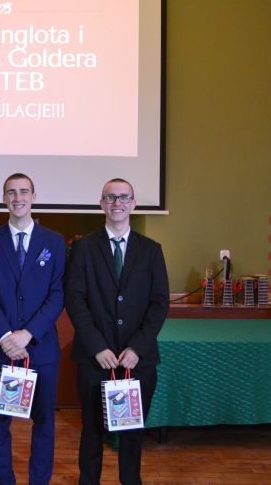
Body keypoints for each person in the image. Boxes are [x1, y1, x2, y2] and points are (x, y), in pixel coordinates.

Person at [64, 178, 169, 485]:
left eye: (124, 197)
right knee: (92, 432)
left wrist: (137, 348)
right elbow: (75, 300)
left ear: (133, 203)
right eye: (111, 198)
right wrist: (97, 346)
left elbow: (160, 303)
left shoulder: (151, 250)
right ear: (102, 204)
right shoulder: (83, 248)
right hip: (95, 359)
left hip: (138, 361)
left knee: (132, 434)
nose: (117, 203)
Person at [0, 173, 66, 485]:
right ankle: (4, 480)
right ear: (4, 198)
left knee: (44, 422)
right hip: (2, 349)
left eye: (24, 191)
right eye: (11, 192)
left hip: (41, 348)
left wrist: (28, 334)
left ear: (34, 196)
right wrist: (5, 336)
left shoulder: (54, 241)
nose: (18, 198)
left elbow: (58, 294)